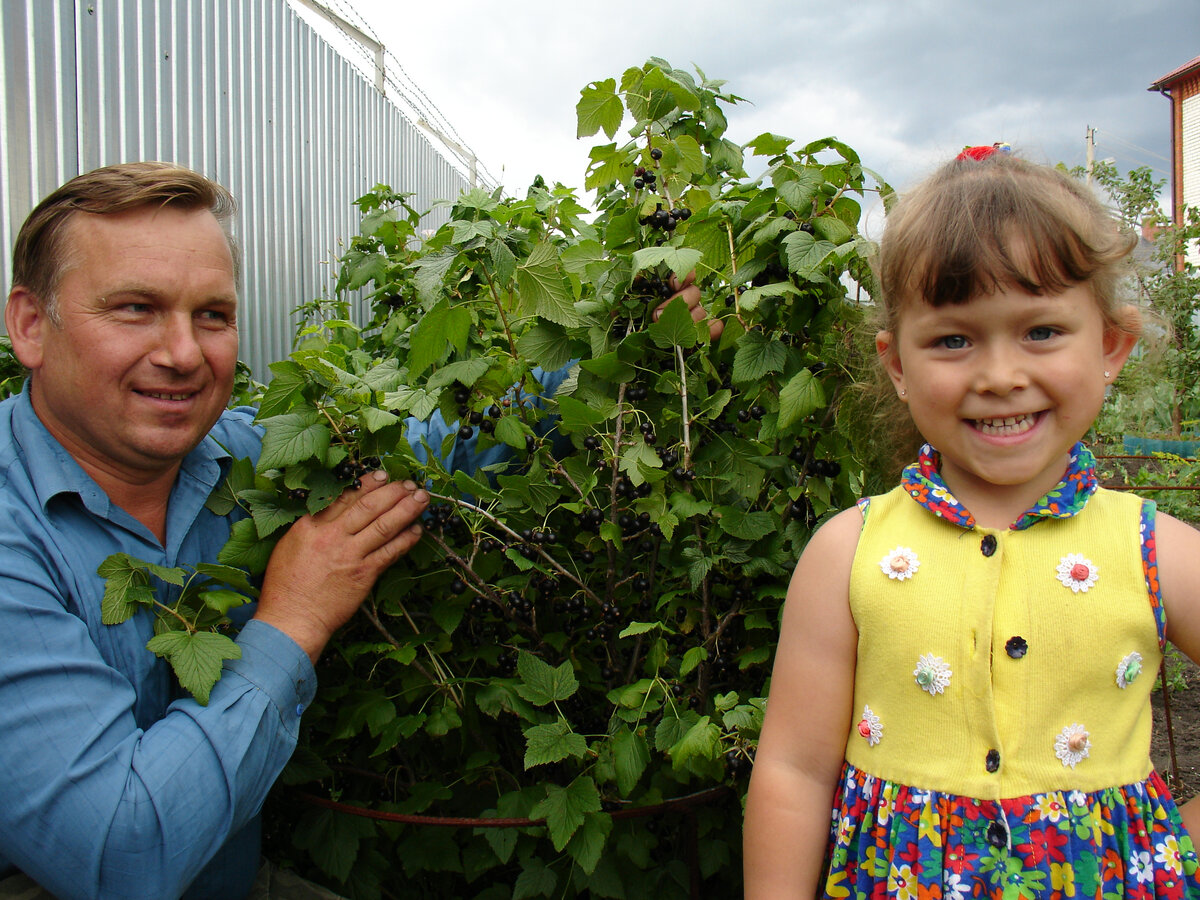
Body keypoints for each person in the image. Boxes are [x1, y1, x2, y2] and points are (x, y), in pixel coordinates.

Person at [0, 162, 718, 900]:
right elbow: (120, 857)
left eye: (211, 315)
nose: (184, 354)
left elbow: (431, 456)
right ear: (30, 325)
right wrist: (295, 619)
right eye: (135, 309)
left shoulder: (241, 463)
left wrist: (609, 351)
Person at [743, 149, 1200, 898]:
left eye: (1042, 331)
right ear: (896, 364)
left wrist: (1166, 850)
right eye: (953, 339)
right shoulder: (848, 554)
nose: (998, 374)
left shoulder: (1156, 551)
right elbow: (793, 770)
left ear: (1111, 345)